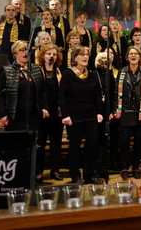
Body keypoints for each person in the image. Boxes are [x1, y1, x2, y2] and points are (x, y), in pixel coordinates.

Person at [59, 46, 104, 184]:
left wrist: (99, 112)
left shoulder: (92, 74)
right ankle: (75, 175)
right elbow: (62, 96)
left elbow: (96, 95)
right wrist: (65, 115)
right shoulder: (67, 74)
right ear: (74, 58)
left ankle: (89, 174)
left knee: (92, 145)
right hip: (74, 117)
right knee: (75, 146)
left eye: (87, 55)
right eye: (82, 54)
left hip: (90, 115)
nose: (85, 57)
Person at [0, 40, 48, 131]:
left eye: (27, 50)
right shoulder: (7, 71)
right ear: (15, 53)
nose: (25, 52)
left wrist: (44, 107)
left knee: (33, 143)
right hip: (15, 115)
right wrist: (2, 114)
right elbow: (0, 95)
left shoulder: (36, 69)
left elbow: (43, 90)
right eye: (22, 50)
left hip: (34, 114)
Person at [115, 46, 141, 179]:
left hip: (139, 112)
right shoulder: (122, 72)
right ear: (127, 56)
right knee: (124, 141)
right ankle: (124, 167)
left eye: (136, 54)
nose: (133, 56)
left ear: (140, 57)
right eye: (131, 54)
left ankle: (135, 168)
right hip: (125, 111)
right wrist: (116, 109)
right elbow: (115, 93)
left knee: (139, 142)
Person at [36, 44, 64, 182]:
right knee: (40, 143)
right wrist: (42, 107)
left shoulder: (59, 72)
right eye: (48, 54)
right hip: (42, 113)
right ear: (43, 56)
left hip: (56, 113)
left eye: (54, 54)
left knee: (56, 143)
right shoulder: (37, 72)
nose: (51, 56)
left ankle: (55, 170)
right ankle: (39, 171)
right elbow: (37, 93)